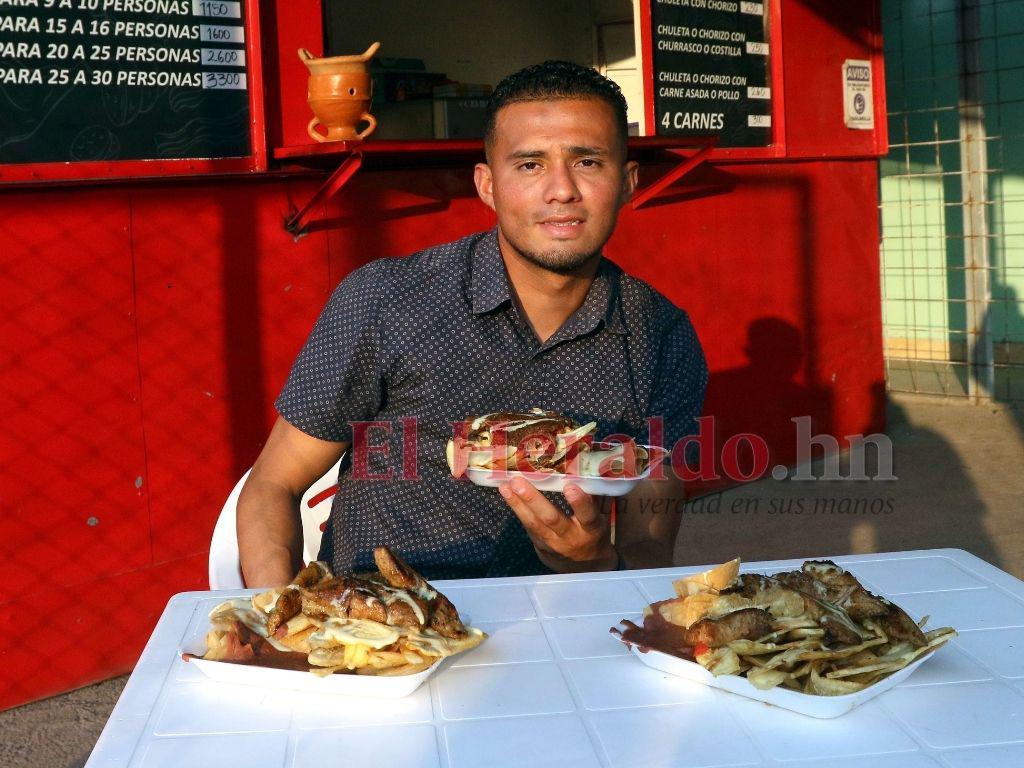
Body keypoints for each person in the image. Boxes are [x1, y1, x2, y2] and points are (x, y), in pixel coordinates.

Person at [237, 60, 708, 587]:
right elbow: (272, 485)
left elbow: (650, 540)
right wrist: (278, 621)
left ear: (626, 182)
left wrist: (598, 564)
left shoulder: (659, 332)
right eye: (530, 165)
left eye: (588, 162)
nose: (561, 190)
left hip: (558, 620)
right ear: (487, 185)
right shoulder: (386, 299)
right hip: (387, 626)